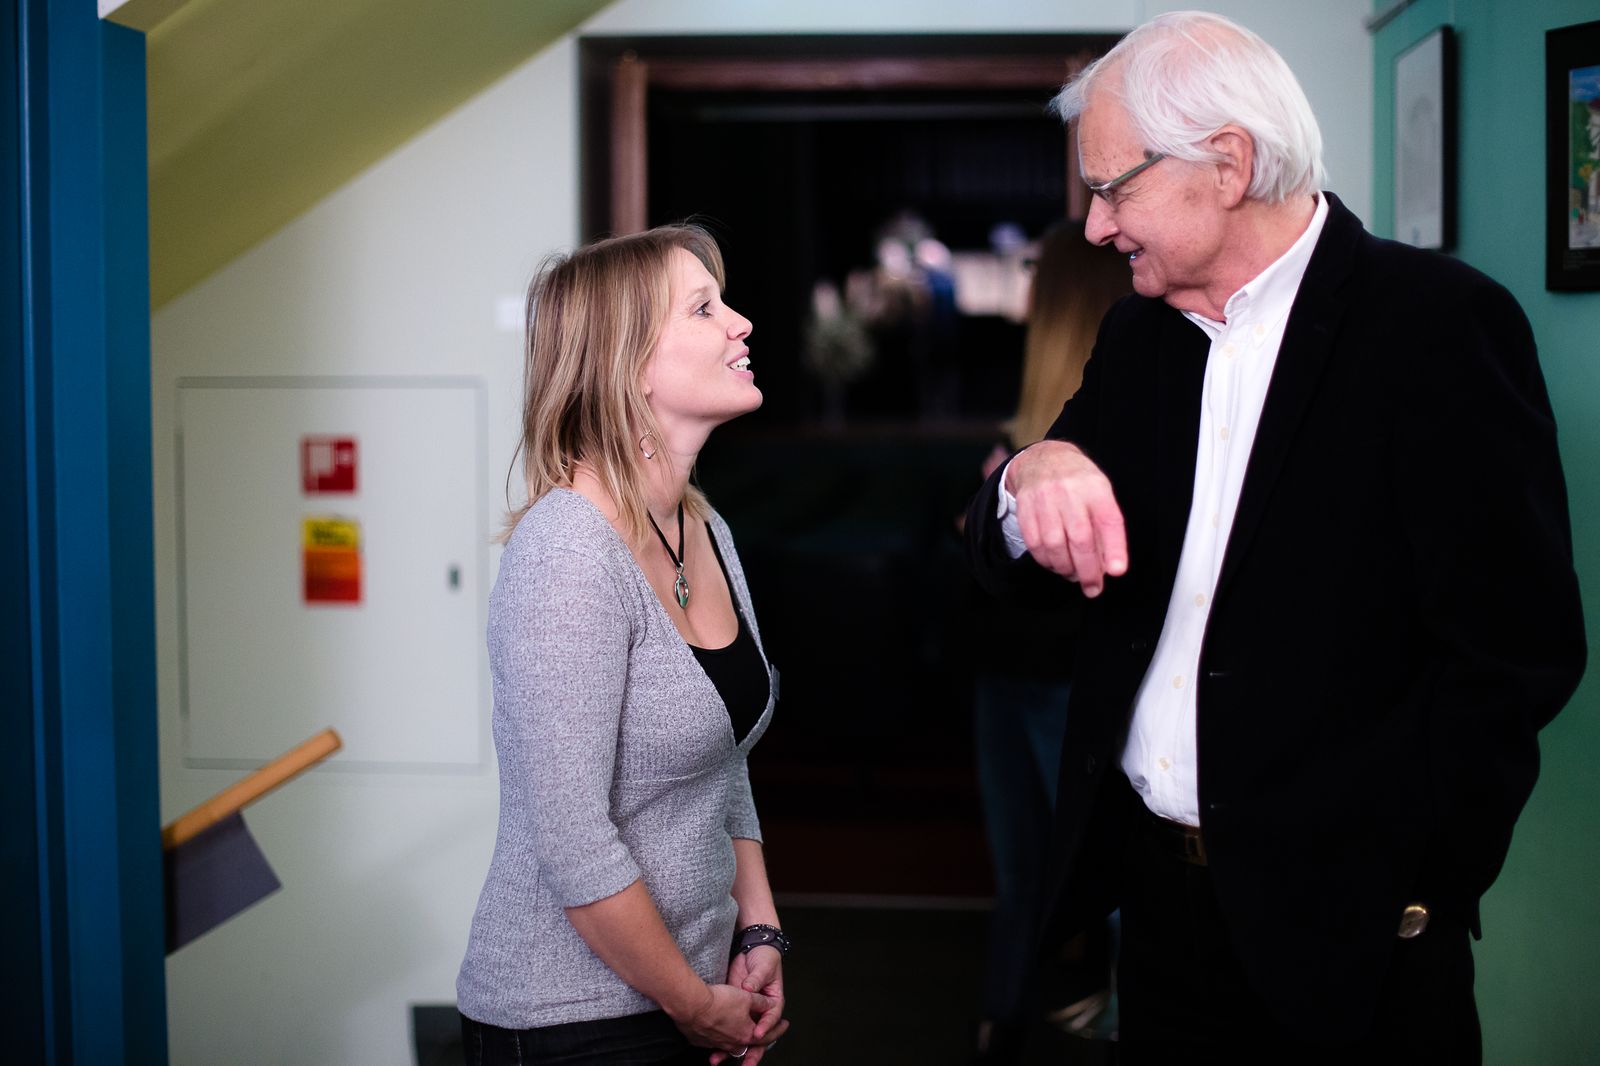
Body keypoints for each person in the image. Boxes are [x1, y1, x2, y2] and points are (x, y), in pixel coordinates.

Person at [965, 12, 1586, 1063]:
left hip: (1354, 939)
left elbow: (1518, 651)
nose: (1096, 226)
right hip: (1157, 918)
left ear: (1228, 163)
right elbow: (1007, 562)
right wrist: (1033, 473)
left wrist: (1411, 880)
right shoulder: (1136, 334)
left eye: (1114, 188)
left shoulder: (1436, 324)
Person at [457, 225, 788, 1065]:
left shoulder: (701, 526)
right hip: (569, 1021)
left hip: (694, 992)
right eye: (705, 308)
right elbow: (572, 840)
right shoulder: (567, 551)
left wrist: (758, 928)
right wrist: (693, 1005)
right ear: (629, 363)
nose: (740, 323)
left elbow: (725, 759)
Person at [968, 225, 1129, 1061]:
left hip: (1052, 679)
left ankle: (1017, 1027)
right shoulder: (1027, 434)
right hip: (1021, 674)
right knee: (1043, 873)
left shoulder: (1106, 436)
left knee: (1071, 870)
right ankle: (1010, 1022)